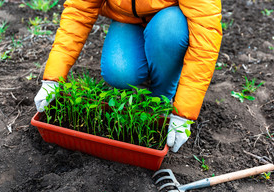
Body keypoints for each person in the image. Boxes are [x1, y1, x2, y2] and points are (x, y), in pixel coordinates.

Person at [34, 0, 222, 152]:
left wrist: (183, 114)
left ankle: (162, 95)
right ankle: (149, 70)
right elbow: (78, 12)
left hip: (170, 24)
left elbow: (206, 39)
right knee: (118, 72)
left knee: (169, 32)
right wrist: (53, 79)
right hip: (128, 20)